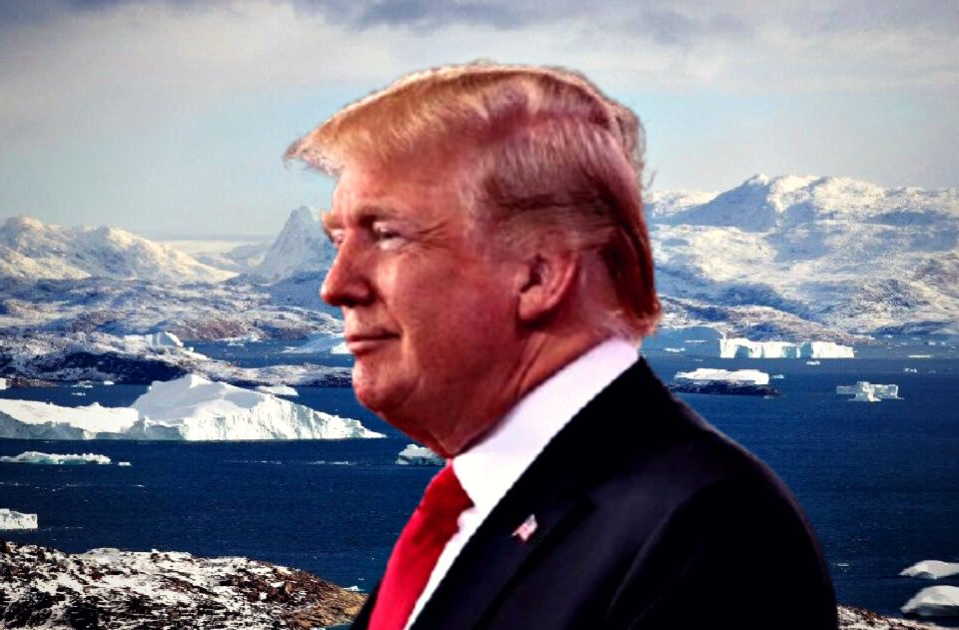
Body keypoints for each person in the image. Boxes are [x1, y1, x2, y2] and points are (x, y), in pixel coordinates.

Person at [285, 62, 837, 630]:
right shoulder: (475, 513)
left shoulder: (711, 531)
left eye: (388, 235)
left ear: (539, 274)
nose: (336, 285)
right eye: (337, 239)